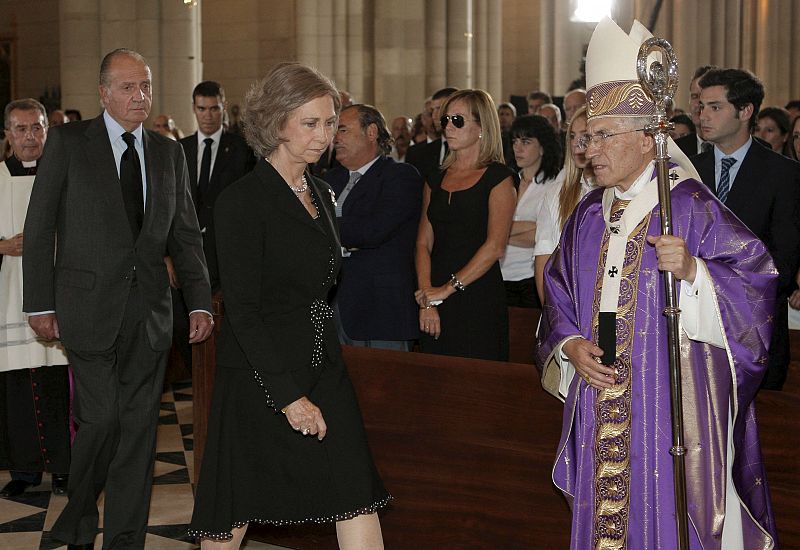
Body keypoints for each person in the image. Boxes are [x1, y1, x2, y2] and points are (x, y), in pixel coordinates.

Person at [536, 18, 777, 548]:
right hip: (601, 397)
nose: (588, 150)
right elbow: (558, 295)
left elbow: (755, 287)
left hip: (671, 404)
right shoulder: (588, 215)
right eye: (585, 138)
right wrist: (570, 344)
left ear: (648, 140)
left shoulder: (688, 207)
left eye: (602, 137)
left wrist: (695, 273)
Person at [189, 62, 389, 549]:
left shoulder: (321, 192)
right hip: (261, 373)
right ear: (277, 122)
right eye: (310, 123)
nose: (323, 136)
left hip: (323, 365)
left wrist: (316, 377)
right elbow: (242, 310)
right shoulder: (241, 202)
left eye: (329, 123)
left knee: (355, 491)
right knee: (232, 510)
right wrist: (288, 396)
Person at [22, 48, 214, 549]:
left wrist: (198, 301)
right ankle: (79, 514)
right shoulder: (67, 143)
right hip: (84, 309)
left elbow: (186, 236)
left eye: (146, 86)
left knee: (138, 434)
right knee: (102, 419)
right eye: (128, 87)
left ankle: (124, 539)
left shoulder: (168, 151)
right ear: (104, 93)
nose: (139, 96)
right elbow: (39, 229)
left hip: (149, 315)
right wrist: (38, 303)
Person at [693, 68, 800, 391]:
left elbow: (783, 260)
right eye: (701, 106)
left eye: (715, 107)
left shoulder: (783, 175)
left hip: (755, 329)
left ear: (745, 111)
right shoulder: (686, 171)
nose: (702, 116)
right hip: (695, 329)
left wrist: (721, 285)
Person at [0, 98, 70, 499]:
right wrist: (3, 245)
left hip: (58, 294)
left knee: (55, 382)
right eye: (21, 129)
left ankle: (64, 468)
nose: (29, 137)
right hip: (9, 297)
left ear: (48, 130)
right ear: (8, 134)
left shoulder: (65, 175)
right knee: (16, 388)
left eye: (37, 128)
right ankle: (23, 470)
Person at [415, 89, 516, 360]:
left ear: (481, 127)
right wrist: (428, 298)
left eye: (457, 120)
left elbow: (495, 247)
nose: (448, 127)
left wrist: (446, 290)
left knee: (478, 385)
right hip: (433, 294)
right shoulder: (434, 178)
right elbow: (423, 242)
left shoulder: (499, 178)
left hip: (477, 296)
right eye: (445, 120)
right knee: (433, 383)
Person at [326, 104, 422, 351]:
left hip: (382, 310)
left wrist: (325, 229)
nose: (335, 138)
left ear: (371, 132)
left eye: (343, 130)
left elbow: (372, 231)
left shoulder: (400, 177)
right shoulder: (329, 180)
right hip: (334, 306)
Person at [179, 80, 255, 289]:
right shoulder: (179, 150)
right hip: (187, 250)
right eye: (202, 109)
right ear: (194, 108)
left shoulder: (243, 149)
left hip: (227, 249)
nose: (208, 115)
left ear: (223, 107)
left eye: (214, 108)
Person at [533, 106, 595, 304]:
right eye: (572, 136)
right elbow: (544, 260)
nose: (577, 144)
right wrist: (553, 318)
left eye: (585, 136)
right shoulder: (556, 193)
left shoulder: (617, 192)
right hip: (567, 302)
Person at [500, 115, 561, 308]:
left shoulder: (553, 185)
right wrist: (524, 228)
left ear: (542, 147)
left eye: (526, 142)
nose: (518, 148)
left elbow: (541, 235)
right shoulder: (506, 181)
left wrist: (498, 233)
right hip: (499, 275)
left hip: (529, 279)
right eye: (515, 141)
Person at [406, 87, 458, 181]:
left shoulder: (469, 149)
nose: (434, 116)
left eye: (439, 109)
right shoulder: (418, 153)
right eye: (432, 110)